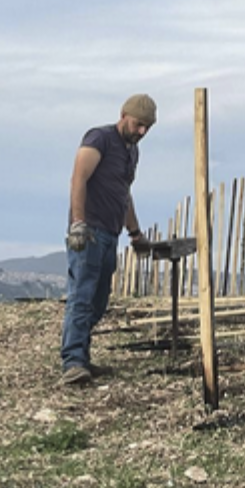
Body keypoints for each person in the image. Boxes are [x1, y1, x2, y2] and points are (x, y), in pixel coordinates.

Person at [60, 93, 156, 386]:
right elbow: (78, 178)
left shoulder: (132, 152)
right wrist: (78, 224)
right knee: (82, 296)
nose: (142, 131)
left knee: (99, 301)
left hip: (111, 233)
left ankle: (82, 355)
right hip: (89, 232)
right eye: (138, 124)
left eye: (147, 127)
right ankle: (73, 362)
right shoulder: (99, 138)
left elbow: (123, 194)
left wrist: (135, 233)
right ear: (123, 116)